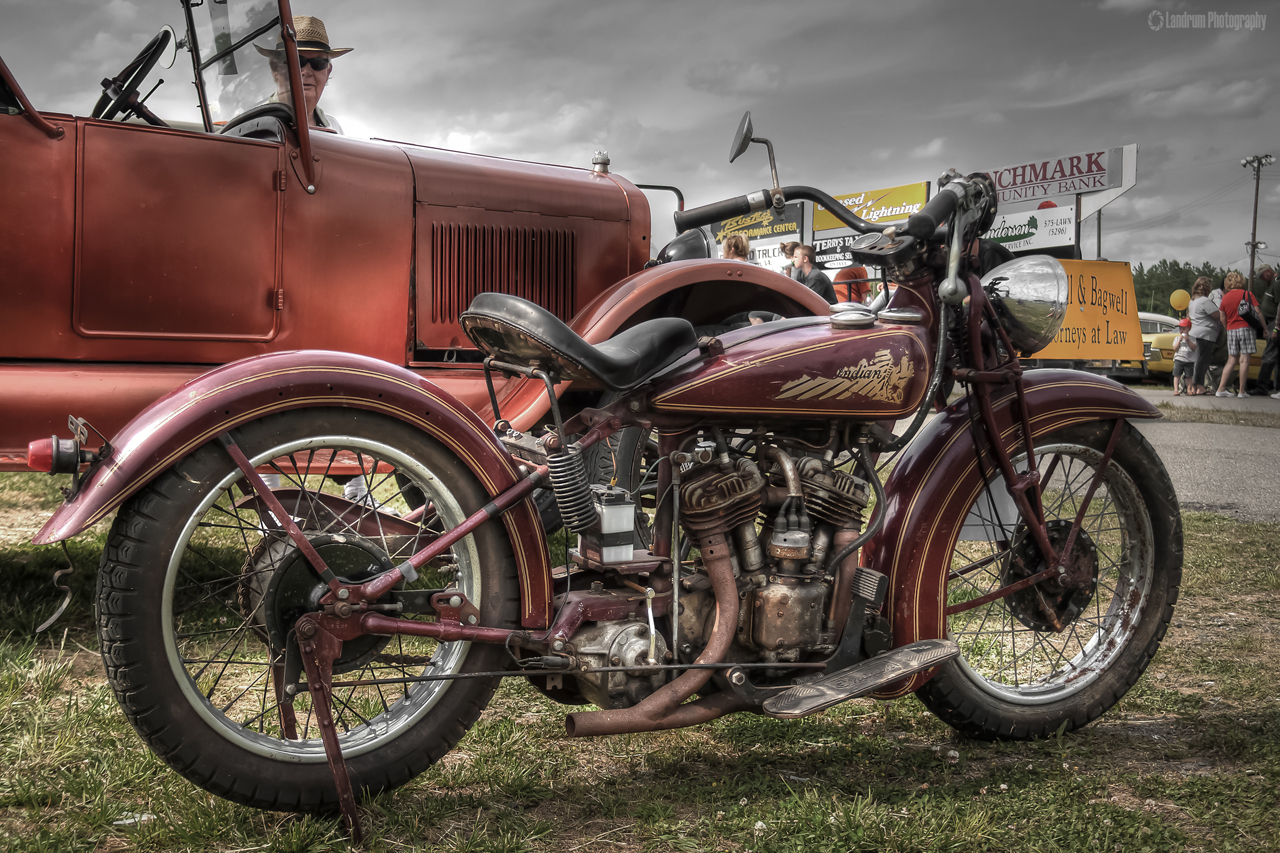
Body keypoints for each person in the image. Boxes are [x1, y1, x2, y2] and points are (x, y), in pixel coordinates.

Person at [255, 15, 351, 132]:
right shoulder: (254, 124)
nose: (306, 72)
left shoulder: (334, 128)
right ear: (276, 69)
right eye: (297, 62)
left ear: (328, 71)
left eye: (318, 63)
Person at [1215, 271, 1260, 398]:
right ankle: (1241, 391)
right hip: (1246, 328)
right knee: (1244, 359)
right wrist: (1264, 327)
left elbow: (1222, 318)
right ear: (1241, 281)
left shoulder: (1225, 298)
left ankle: (1220, 388)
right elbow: (1258, 312)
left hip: (1231, 330)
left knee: (1231, 360)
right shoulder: (1247, 294)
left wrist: (1228, 328)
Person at [1186, 276, 1220, 395]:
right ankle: (1200, 386)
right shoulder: (1205, 301)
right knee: (1202, 361)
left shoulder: (1192, 301)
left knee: (1195, 360)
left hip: (1194, 332)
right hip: (1205, 334)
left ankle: (1193, 386)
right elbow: (1218, 316)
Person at [1250, 263, 1280, 397]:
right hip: (1270, 323)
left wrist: (1276, 328)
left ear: (1267, 272)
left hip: (1275, 323)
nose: (1261, 278)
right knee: (1276, 358)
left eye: (1261, 275)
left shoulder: (1277, 284)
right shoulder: (1271, 284)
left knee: (1268, 356)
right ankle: (1276, 388)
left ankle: (1262, 387)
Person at [1170, 318, 1197, 395]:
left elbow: (1194, 348)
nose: (1181, 331)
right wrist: (1179, 340)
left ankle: (1189, 389)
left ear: (1189, 329)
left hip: (1189, 360)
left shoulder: (1192, 338)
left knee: (1189, 376)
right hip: (1179, 359)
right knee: (1177, 375)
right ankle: (1176, 390)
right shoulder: (1177, 338)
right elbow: (1175, 348)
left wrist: (1188, 340)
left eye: (1184, 329)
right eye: (1180, 329)